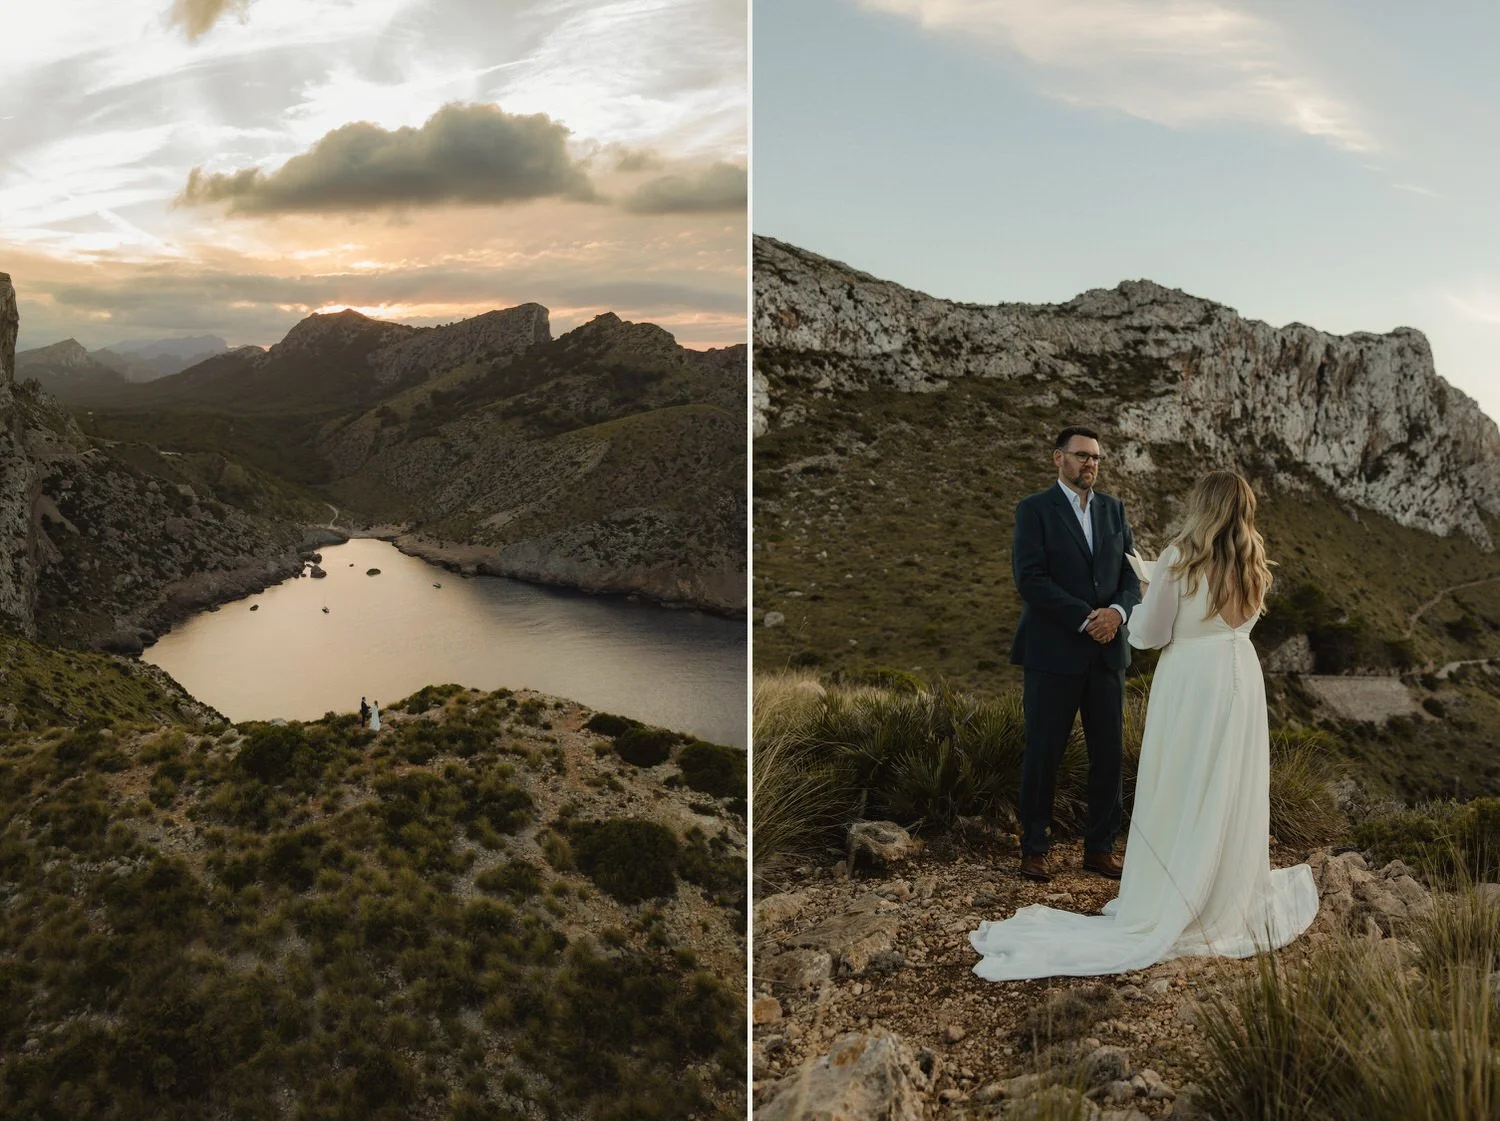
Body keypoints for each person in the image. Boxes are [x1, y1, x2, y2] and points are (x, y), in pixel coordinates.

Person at [970, 470, 1319, 981]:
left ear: (1203, 505)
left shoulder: (1180, 557)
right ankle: (1224, 890)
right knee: (1229, 781)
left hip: (1191, 679)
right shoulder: (1255, 564)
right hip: (1240, 676)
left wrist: (1153, 590)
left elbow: (1149, 635)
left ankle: (1174, 891)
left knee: (1180, 780)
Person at [1009, 426, 1142, 883]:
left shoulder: (1114, 510)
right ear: (1057, 459)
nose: (1091, 464)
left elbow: (1132, 577)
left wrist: (1119, 614)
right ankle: (1034, 849)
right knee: (1044, 753)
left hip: (1108, 654)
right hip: (1054, 653)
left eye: (1097, 458)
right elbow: (1030, 579)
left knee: (1109, 755)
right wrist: (1088, 618)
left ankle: (1100, 849)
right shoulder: (1034, 511)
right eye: (1082, 455)